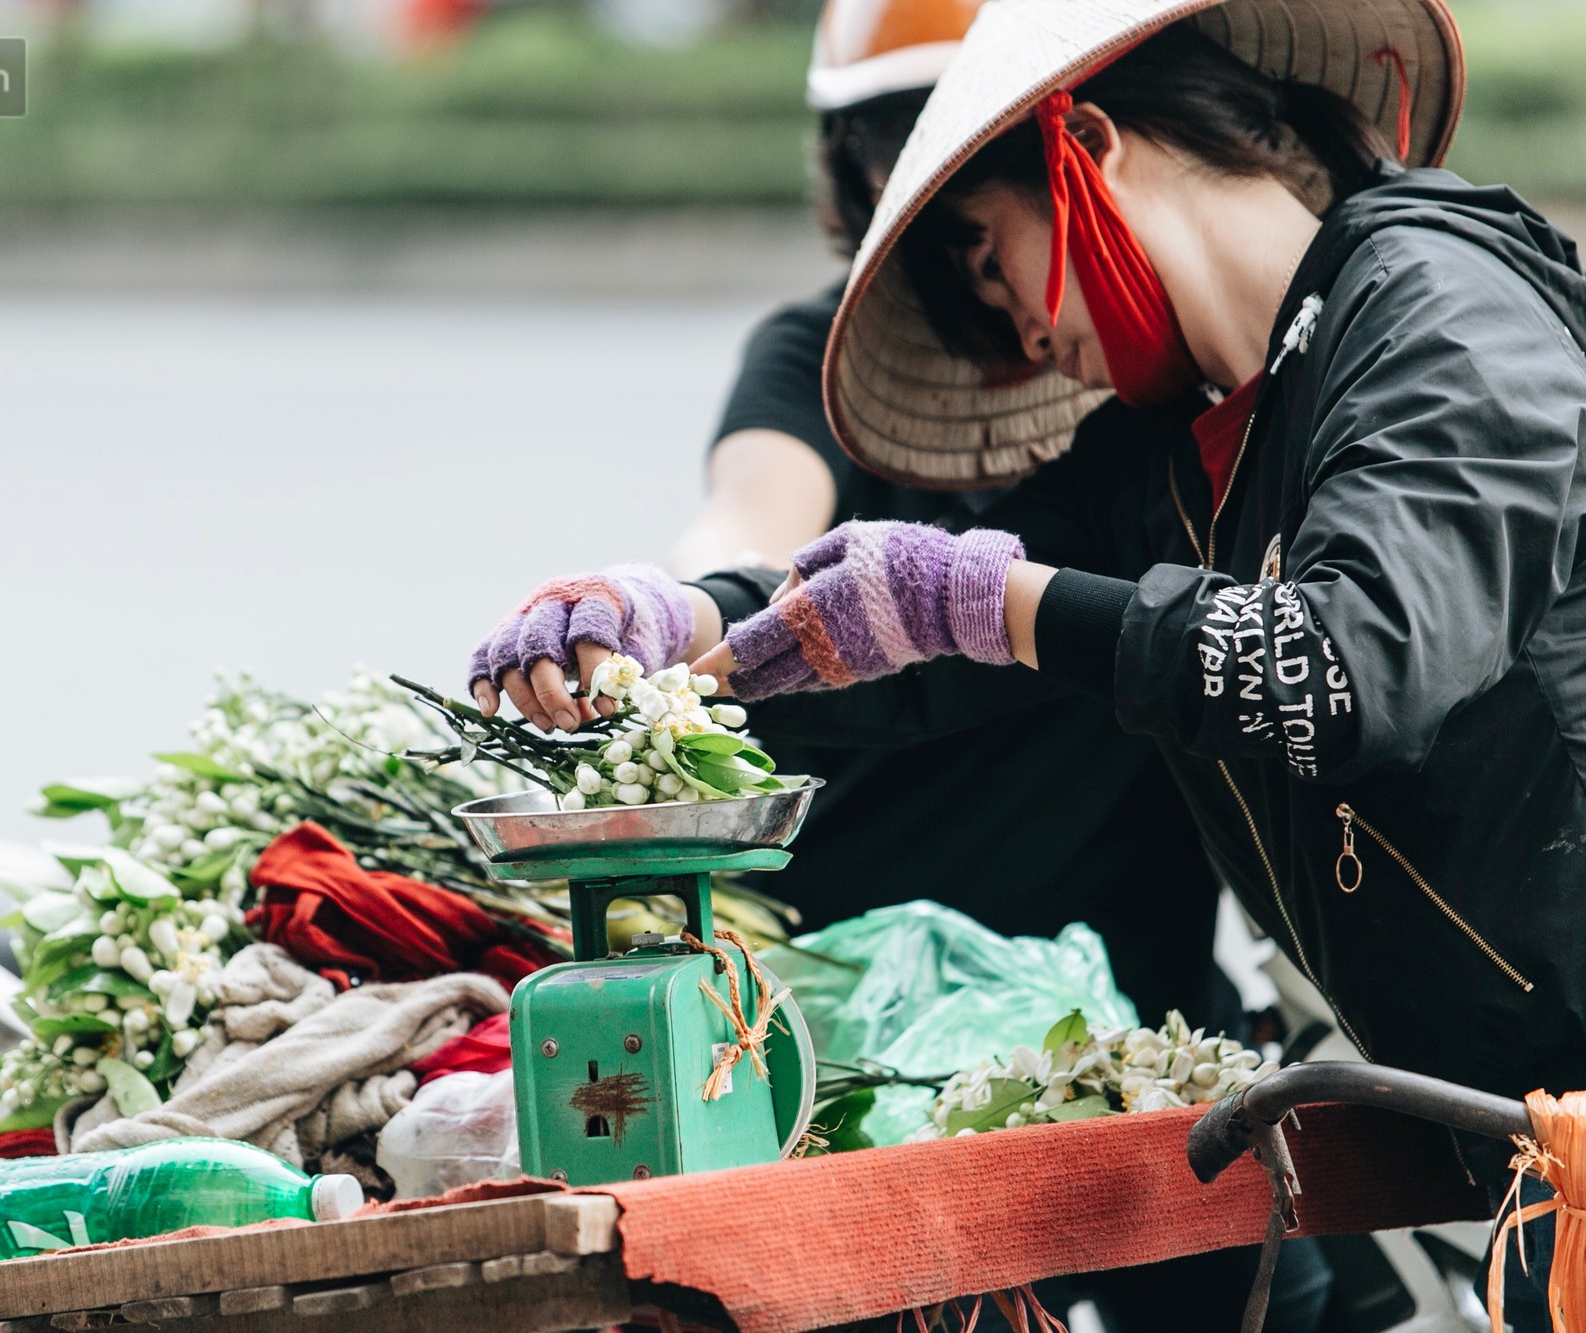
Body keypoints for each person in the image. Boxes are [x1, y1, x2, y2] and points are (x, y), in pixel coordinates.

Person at [674, 0, 1586, 1320]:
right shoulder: (1168, 451)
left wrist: (996, 602)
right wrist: (679, 635)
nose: (1014, 337)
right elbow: (904, 635)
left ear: (1089, 145)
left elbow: (1344, 667)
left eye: (991, 261)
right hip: (1524, 1132)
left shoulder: (1440, 320)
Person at [464, 0, 1335, 1326]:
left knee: (1295, 1291)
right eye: (895, 152)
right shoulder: (812, 366)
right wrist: (666, 608)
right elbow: (751, 520)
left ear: (1079, 142)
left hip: (1132, 1014)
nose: (932, 208)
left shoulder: (1161, 395)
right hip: (868, 1028)